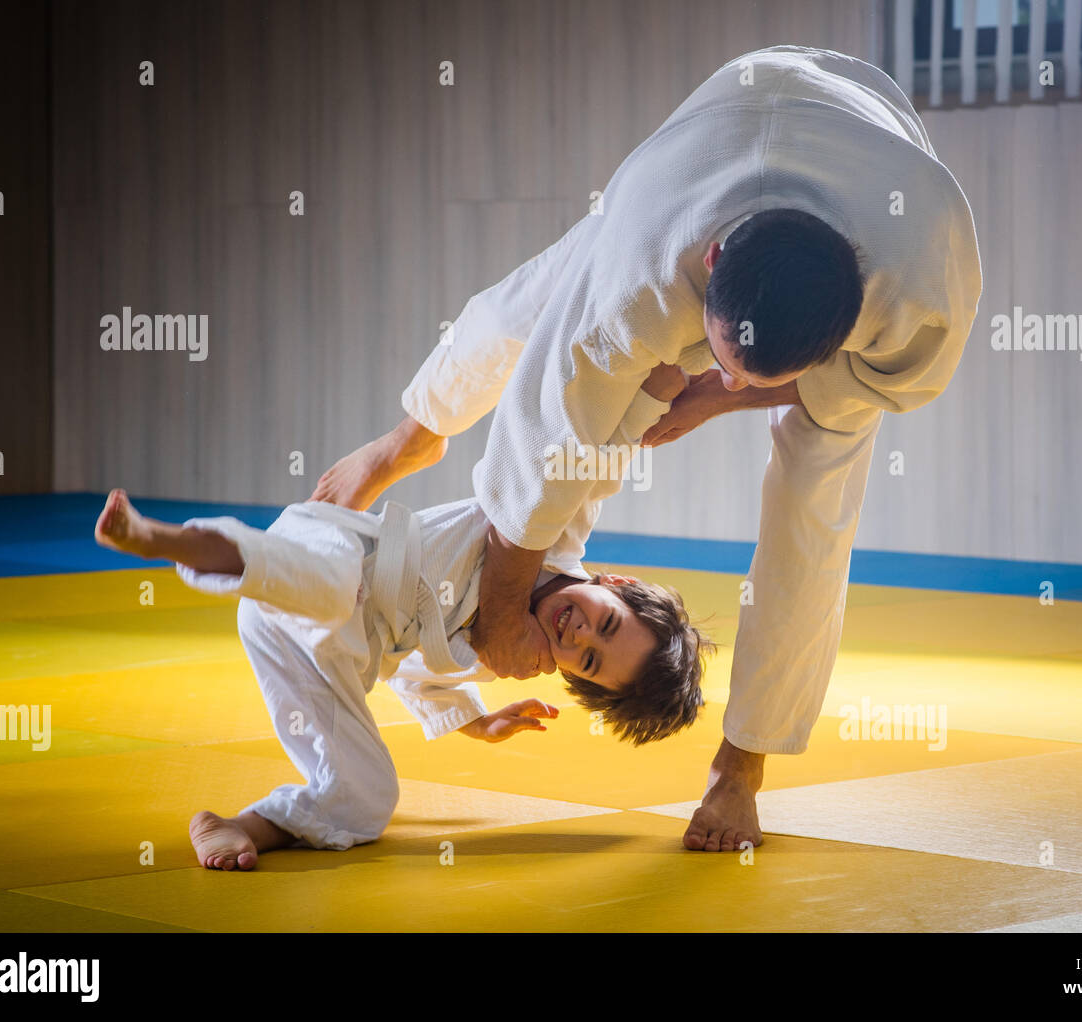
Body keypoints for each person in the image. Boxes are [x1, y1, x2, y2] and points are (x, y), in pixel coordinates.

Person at [313, 46, 983, 853]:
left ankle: (742, 768)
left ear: (848, 328)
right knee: (525, 306)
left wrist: (715, 394)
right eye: (723, 362)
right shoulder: (642, 262)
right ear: (710, 266)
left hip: (880, 150)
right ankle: (403, 439)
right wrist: (499, 611)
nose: (724, 382)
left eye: (755, 377)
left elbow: (889, 385)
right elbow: (543, 433)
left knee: (818, 497)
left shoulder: (920, 281)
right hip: (700, 146)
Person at [93, 364, 713, 870]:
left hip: (315, 651)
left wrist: (474, 721)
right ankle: (163, 539)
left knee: (370, 799)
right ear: (617, 584)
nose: (580, 636)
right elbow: (597, 465)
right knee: (334, 586)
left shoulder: (508, 657)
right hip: (331, 558)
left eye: (590, 661)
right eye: (605, 623)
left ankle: (241, 824)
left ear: (574, 678)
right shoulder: (554, 535)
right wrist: (654, 396)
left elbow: (414, 674)